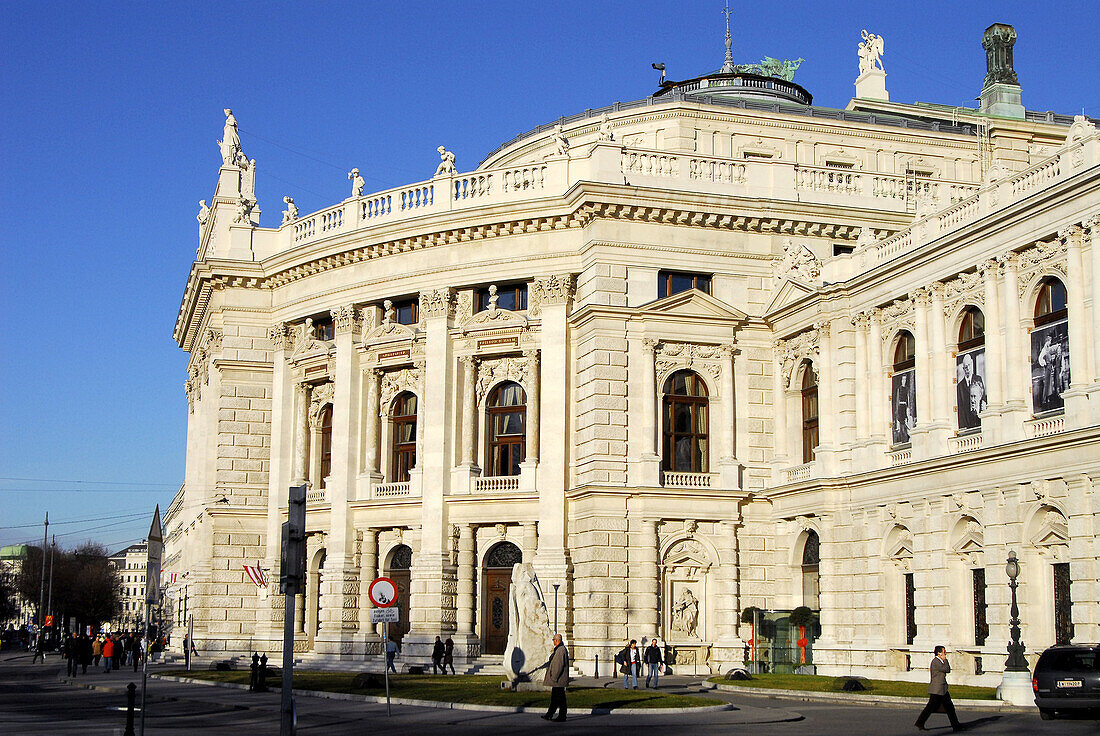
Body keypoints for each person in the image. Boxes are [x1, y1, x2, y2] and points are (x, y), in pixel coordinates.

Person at [915, 645, 963, 732]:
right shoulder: (936, 662)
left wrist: (944, 660)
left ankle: (956, 726)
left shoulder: (940, 661)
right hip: (937, 689)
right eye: (944, 652)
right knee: (930, 707)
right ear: (939, 653)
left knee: (950, 708)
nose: (945, 653)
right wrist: (946, 660)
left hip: (942, 688)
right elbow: (947, 669)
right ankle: (920, 722)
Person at [541, 633, 569, 722]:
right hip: (558, 680)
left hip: (558, 680)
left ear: (557, 640)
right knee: (556, 698)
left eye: (554, 640)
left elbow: (558, 665)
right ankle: (550, 714)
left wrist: (554, 677)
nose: (553, 642)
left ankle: (561, 716)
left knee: (560, 699)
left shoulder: (561, 650)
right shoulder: (559, 649)